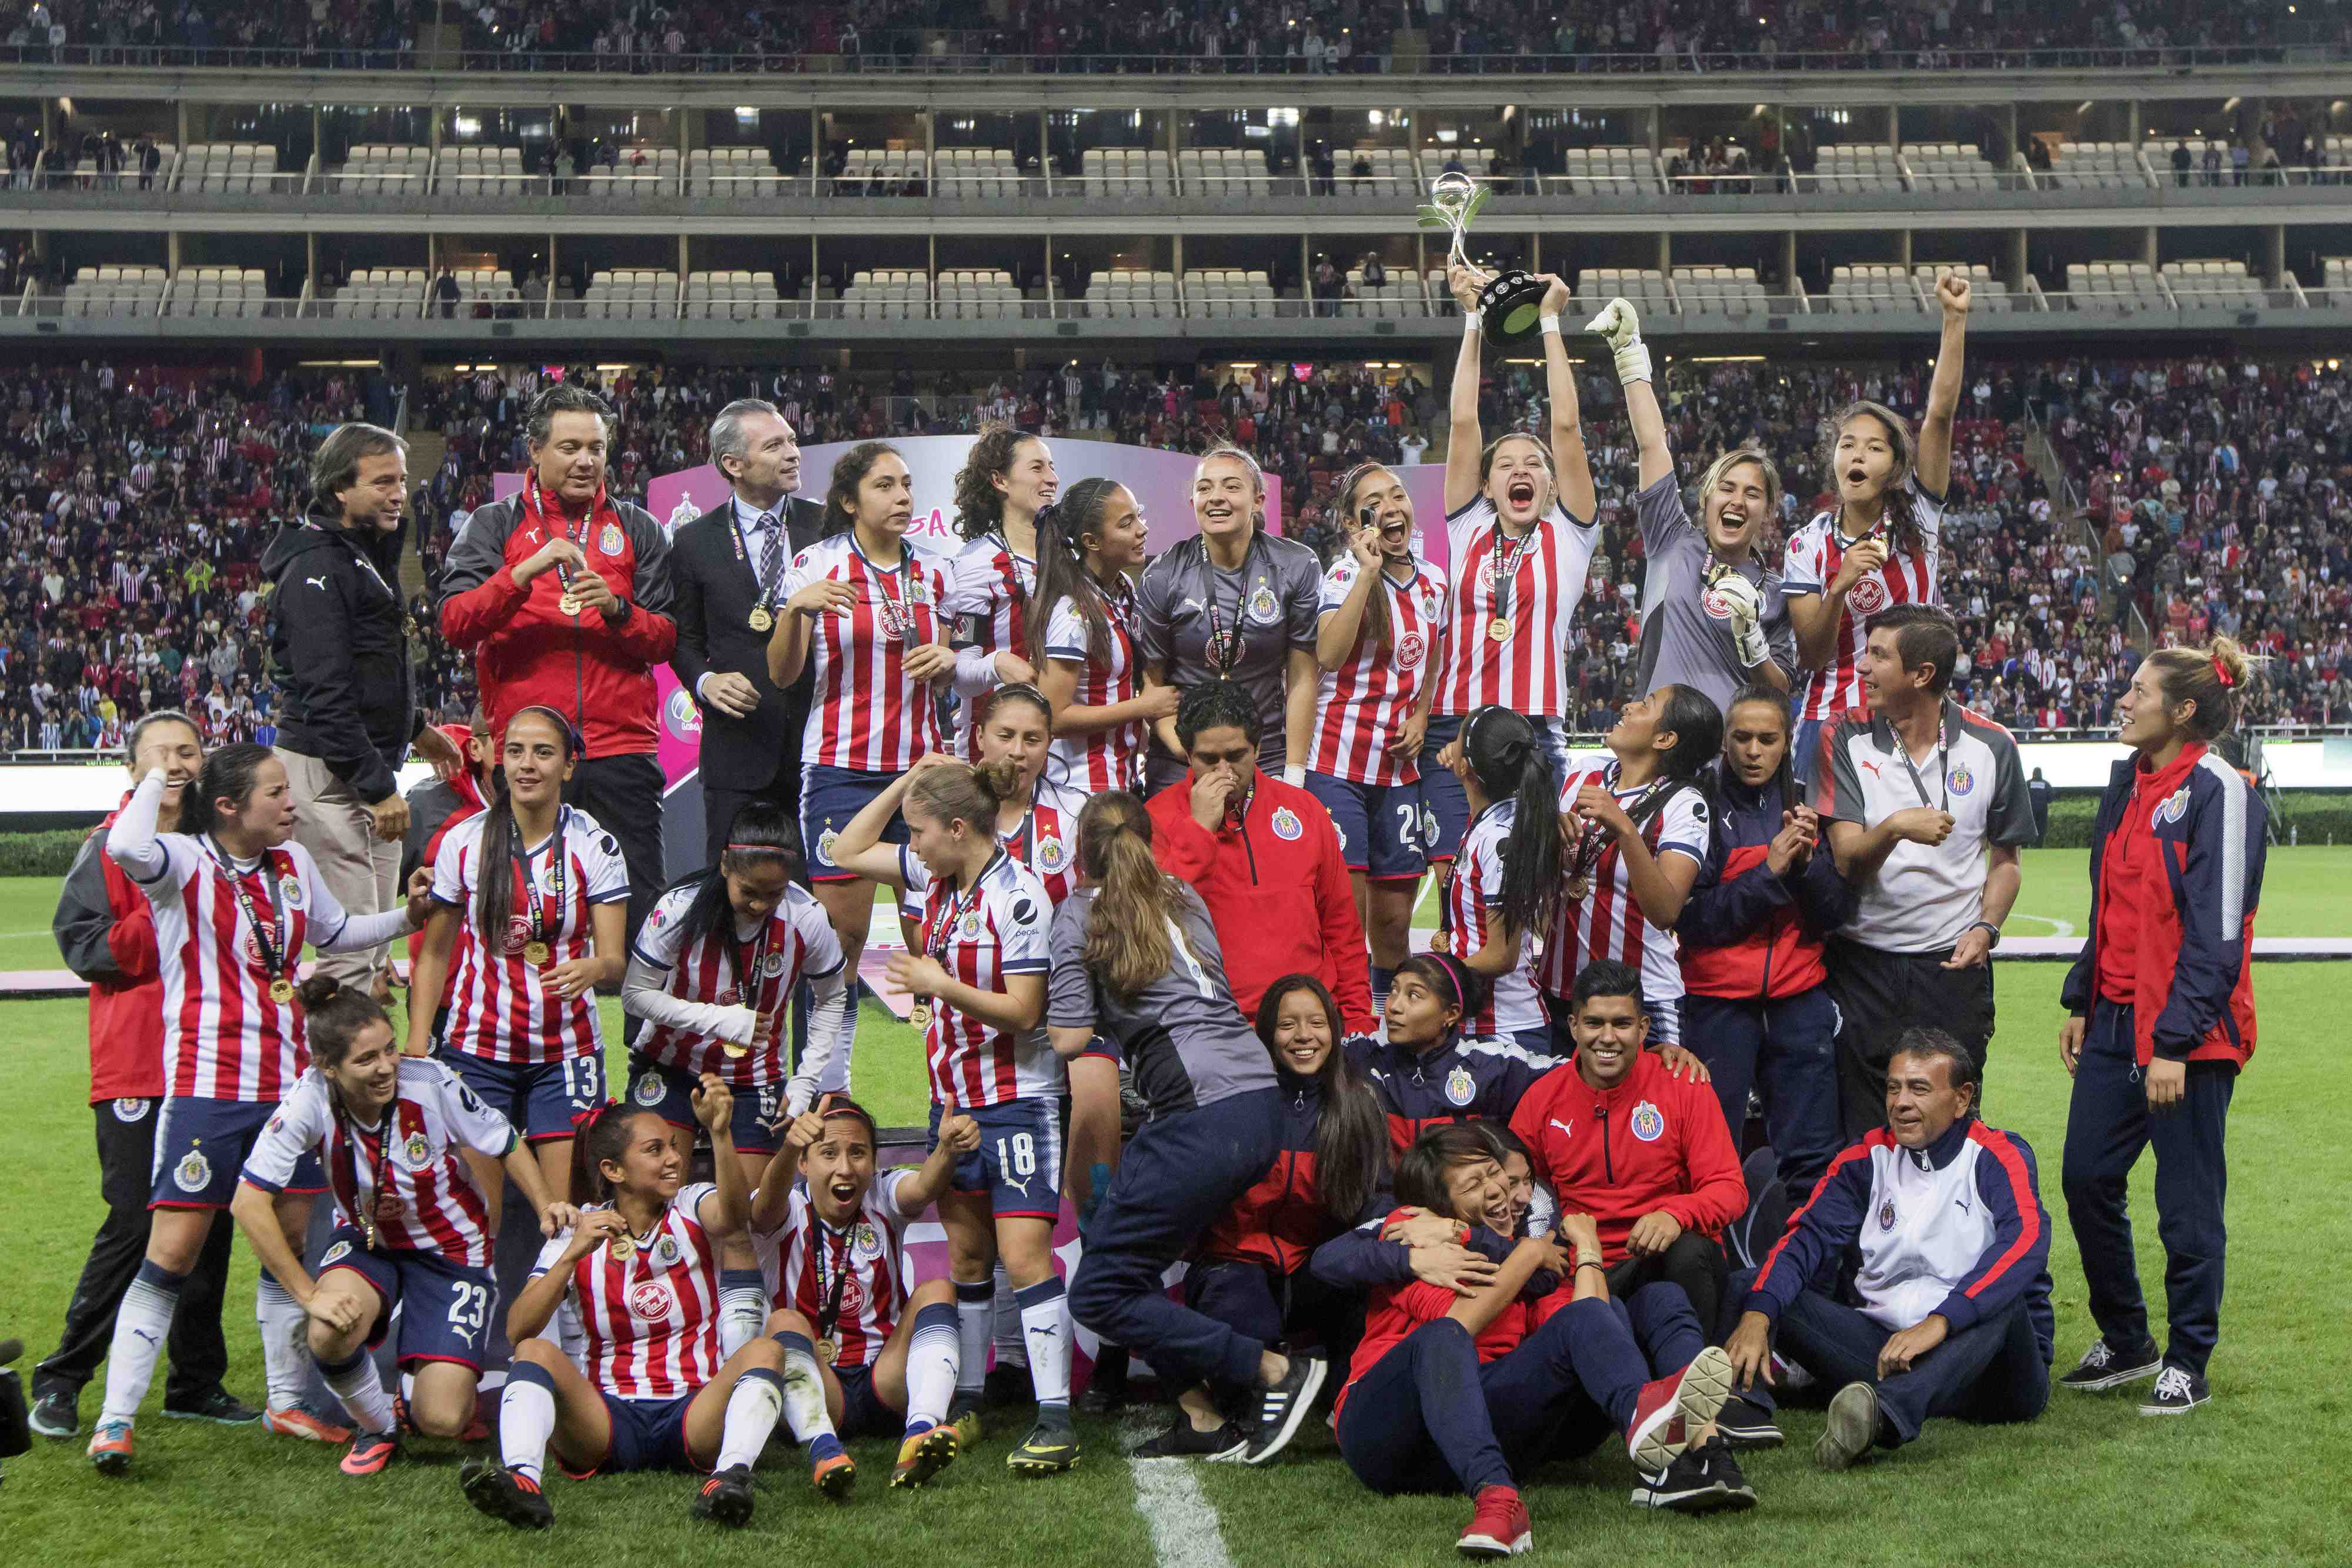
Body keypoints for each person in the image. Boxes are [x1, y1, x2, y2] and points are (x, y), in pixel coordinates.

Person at [88, 744, 430, 1474]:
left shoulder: (294, 865)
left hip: (293, 1089)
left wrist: (412, 915)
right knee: (172, 1252)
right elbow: (122, 842)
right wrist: (160, 774)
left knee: (290, 1237)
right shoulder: (180, 862)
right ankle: (115, 1422)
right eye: (276, 794)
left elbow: (338, 935)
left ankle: (285, 1402)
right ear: (228, 808)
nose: (291, 804)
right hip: (208, 1089)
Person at [1050, 792, 1328, 1467]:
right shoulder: (1182, 894)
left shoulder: (1079, 913)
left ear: (1082, 853)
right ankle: (1201, 1418)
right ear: (1147, 842)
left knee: (1098, 1289)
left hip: (1199, 1113)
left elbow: (1068, 1037)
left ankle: (1272, 1372)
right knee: (1122, 1252)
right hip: (1259, 1100)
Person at [1317, 1124, 1753, 1552]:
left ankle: (1686, 1448)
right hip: (1386, 1432)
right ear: (1439, 1205)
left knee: (1647, 1302)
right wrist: (1525, 1252)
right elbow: (1458, 1322)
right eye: (1474, 1183)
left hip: (1475, 1424)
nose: (1497, 1190)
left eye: (1494, 1173)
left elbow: (1596, 1320)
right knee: (1444, 1337)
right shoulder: (1417, 1239)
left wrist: (1588, 1250)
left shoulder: (1521, 1251)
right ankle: (1497, 1498)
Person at [827, 756, 1076, 1473]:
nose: (914, 842)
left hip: (1017, 1102)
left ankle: (1055, 1417)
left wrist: (941, 983)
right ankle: (968, 1401)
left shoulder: (1019, 896)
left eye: (920, 830)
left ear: (958, 829)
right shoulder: (939, 880)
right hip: (954, 1103)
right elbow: (844, 851)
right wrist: (910, 783)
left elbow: (1026, 1011)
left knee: (1024, 1258)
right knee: (967, 1257)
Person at [229, 977, 577, 1475]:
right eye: (366, 1059)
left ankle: (417, 1397)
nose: (386, 1067)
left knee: (443, 1417)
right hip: (369, 1241)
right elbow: (248, 1202)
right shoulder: (308, 1100)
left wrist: (545, 1201)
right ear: (328, 1067)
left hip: (453, 1248)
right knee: (327, 1329)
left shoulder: (429, 1080)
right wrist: (309, 1295)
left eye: (389, 1050)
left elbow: (504, 1140)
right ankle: (378, 1426)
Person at [2056, 639, 2264, 1416]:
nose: (2124, 698)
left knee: (2186, 1204)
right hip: (2114, 1023)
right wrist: (2083, 998)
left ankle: (2187, 1359)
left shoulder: (2221, 788)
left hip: (2190, 1036)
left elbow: (2219, 934)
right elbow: (2109, 908)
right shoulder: (2127, 782)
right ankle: (2127, 1337)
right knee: (2086, 1178)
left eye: (2138, 689)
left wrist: (2174, 1042)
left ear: (2181, 710)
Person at [32, 713, 246, 1440]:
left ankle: (196, 1383)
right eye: (160, 753)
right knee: (131, 1222)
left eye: (188, 750)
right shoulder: (107, 847)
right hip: (136, 1062)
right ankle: (62, 1379)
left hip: (212, 1064)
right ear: (132, 771)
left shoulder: (222, 848)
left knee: (208, 1224)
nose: (177, 763)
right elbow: (84, 947)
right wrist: (167, 914)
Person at [458, 1092, 800, 1530]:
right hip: (607, 1417)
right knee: (533, 1353)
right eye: (655, 1150)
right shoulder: (576, 1228)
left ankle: (729, 1477)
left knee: (765, 1352)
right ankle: (523, 1482)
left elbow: (736, 1217)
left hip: (693, 1410)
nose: (673, 1158)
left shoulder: (692, 1205)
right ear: (613, 1170)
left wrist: (718, 1132)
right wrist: (570, 1255)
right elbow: (519, 1327)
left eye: (673, 1146)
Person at [1723, 1029, 2053, 1470]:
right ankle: (1745, 1407)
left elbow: (2026, 1240)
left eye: (1919, 1088)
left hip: (1994, 1373)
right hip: (1887, 1352)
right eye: (1894, 1087)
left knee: (2002, 1301)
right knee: (1752, 1286)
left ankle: (1884, 1416)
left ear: (1962, 1098)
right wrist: (1758, 1315)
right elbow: (1807, 1238)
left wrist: (1942, 1321)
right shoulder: (1867, 1157)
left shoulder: (1998, 1154)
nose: (1900, 1102)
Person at [438, 382, 676, 959]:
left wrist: (619, 612)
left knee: (642, 916)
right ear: (536, 452)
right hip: (529, 752)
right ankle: (513, 1037)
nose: (586, 461)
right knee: (519, 911)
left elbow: (666, 638)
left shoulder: (637, 527)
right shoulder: (494, 526)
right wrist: (521, 575)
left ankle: (646, 1046)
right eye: (570, 447)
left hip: (621, 751)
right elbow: (454, 622)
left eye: (596, 448)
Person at [624, 801, 848, 1358]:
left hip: (756, 1080)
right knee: (650, 1199)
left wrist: (803, 1083)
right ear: (726, 865)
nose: (759, 903)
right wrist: (722, 1019)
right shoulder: (678, 908)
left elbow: (833, 998)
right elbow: (635, 994)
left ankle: (738, 1349)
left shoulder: (806, 917)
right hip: (671, 1067)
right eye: (749, 889)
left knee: (743, 1215)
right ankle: (654, 1335)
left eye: (773, 894)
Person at [769, 440, 956, 1101]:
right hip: (841, 771)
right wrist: (798, 609)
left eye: (906, 484)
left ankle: (948, 1088)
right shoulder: (814, 564)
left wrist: (952, 658)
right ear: (850, 500)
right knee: (841, 942)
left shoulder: (938, 573)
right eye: (885, 486)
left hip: (927, 774)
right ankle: (827, 1090)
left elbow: (967, 661)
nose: (902, 496)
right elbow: (783, 674)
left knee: (934, 939)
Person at [1136, 974, 1389, 1457]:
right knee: (1239, 1352)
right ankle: (1252, 1385)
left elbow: (1376, 1199)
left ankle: (1338, 1386)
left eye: (1317, 1023)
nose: (1304, 1036)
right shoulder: (1237, 1100)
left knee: (1367, 1288)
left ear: (1335, 1031)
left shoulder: (1358, 1104)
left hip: (1317, 1269)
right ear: (1266, 1033)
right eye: (1288, 1024)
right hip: (1236, 1263)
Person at [1818, 605, 2034, 1136]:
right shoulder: (1844, 735)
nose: (1863, 669)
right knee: (1868, 1130)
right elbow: (1846, 856)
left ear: (1922, 675)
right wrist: (1893, 828)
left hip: (1950, 969)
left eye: (1878, 655)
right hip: (1863, 966)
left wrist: (1987, 928)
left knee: (1951, 1125)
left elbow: (2006, 861)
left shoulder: (1993, 746)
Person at [406, 707, 629, 1209]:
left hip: (566, 1053)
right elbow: (435, 953)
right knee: (476, 1220)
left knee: (567, 1214)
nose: (527, 764)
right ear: (499, 760)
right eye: (516, 751)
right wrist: (419, 1043)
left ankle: (566, 1291)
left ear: (569, 766)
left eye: (544, 752)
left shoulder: (596, 844)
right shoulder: (464, 841)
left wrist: (594, 967)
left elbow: (614, 960)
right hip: (477, 1049)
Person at [266, 423, 462, 994]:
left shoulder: (357, 556)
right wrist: (378, 787)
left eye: (401, 480)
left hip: (357, 767)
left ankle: (365, 1081)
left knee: (372, 961)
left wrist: (417, 728)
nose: (398, 492)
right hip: (330, 772)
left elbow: (368, 671)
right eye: (381, 482)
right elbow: (326, 695)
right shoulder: (316, 567)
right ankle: (326, 1083)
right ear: (339, 492)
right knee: (350, 960)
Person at [1423, 264, 1599, 872]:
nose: (1519, 470)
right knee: (1450, 880)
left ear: (1550, 485)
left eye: (1534, 463)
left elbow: (1567, 426)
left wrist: (1550, 319)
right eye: (1505, 464)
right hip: (1453, 725)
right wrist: (1471, 316)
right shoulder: (1466, 526)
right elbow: (1465, 421)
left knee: (1527, 881)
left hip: (1532, 730)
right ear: (1487, 483)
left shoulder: (1569, 534)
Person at [1783, 271, 1970, 787]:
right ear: (1835, 460)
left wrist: (1954, 320)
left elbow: (1939, 417)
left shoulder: (1919, 517)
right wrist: (1840, 584)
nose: (1858, 453)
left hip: (1912, 718)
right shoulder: (1807, 543)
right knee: (1820, 862)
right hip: (1830, 720)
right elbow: (1811, 655)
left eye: (1874, 446)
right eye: (1848, 444)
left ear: (1894, 466)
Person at [1508, 961, 1746, 1354]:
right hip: (1583, 1267)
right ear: (1572, 1027)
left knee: (1690, 1251)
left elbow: (1730, 1188)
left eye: (1621, 1024)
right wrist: (1543, 1242)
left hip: (1665, 1261)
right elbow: (1516, 1188)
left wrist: (1676, 1214)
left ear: (1644, 1028)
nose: (1607, 1037)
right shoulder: (1542, 1099)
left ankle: (1700, 1372)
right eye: (1594, 1023)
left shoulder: (1683, 1085)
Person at [746, 1095, 978, 1490]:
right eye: (828, 1153)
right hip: (819, 1388)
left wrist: (947, 1150)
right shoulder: (786, 1207)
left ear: (874, 1161)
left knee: (938, 1288)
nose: (845, 1167)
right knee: (782, 1321)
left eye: (858, 1153)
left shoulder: (882, 1194)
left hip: (883, 1380)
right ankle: (823, 1450)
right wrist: (787, 1146)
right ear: (804, 1163)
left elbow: (922, 1187)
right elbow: (762, 1208)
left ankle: (919, 1432)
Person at [1678, 684, 1855, 1199]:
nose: (1754, 751)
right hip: (1717, 1005)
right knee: (1713, 1161)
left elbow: (1834, 914)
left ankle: (1809, 1280)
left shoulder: (1810, 803)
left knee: (1814, 1163)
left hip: (1799, 1002)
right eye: (1743, 738)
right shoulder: (1698, 806)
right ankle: (1719, 1279)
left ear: (1785, 741)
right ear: (1725, 742)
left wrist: (1807, 868)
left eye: (1767, 739)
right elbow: (1692, 920)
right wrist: (1770, 872)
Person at [1586, 297, 1795, 711]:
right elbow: (1651, 444)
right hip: (1659, 746)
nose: (1737, 500)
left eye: (1752, 494)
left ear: (1768, 513)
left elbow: (1781, 690)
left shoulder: (1776, 593)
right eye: (1727, 488)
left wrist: (1753, 642)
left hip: (1729, 755)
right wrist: (1629, 355)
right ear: (1706, 497)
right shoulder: (1672, 540)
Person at [1145, 678, 1374, 1035]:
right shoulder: (1156, 820)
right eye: (1209, 760)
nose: (1225, 772)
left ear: (1258, 748)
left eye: (1237, 756)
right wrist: (1199, 831)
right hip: (1210, 1030)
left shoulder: (1305, 811)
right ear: (1187, 755)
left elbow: (1342, 927)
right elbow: (1157, 926)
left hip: (1306, 1029)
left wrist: (1358, 1020)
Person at [1308, 462, 1449, 1015]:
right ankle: (1343, 1024)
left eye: (1397, 495)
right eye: (1374, 502)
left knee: (1393, 922)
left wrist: (1420, 715)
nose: (1391, 507)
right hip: (1338, 763)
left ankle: (1387, 1024)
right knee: (1345, 914)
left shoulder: (1436, 581)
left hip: (1398, 772)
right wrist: (1367, 573)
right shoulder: (1344, 577)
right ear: (1352, 523)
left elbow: (1433, 662)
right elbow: (1328, 656)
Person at [669, 399, 830, 865]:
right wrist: (705, 681)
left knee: (816, 899)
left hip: (818, 744)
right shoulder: (694, 540)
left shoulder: (827, 528)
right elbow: (683, 638)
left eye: (793, 441)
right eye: (775, 445)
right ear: (733, 464)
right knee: (729, 891)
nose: (793, 453)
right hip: (735, 748)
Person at [1541, 685, 1724, 1049]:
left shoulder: (1685, 804)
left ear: (1665, 738)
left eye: (1646, 704)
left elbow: (1666, 910)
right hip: (1561, 994)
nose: (1628, 706)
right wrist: (1550, 836)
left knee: (1646, 1107)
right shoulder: (1584, 772)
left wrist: (1624, 826)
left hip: (1641, 1001)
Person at [1134, 444, 1324, 795]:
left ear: (1258, 501)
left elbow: (1302, 676)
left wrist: (1295, 772)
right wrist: (1194, 756)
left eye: (1232, 487)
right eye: (1205, 488)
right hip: (1182, 756)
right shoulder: (1162, 574)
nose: (1216, 497)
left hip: (1264, 755)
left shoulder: (1297, 565)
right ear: (1193, 504)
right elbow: (1153, 685)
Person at [1028, 477, 1170, 794]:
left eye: (1139, 515)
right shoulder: (1072, 612)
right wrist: (1144, 707)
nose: (1142, 529)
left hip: (1124, 775)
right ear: (1092, 542)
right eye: (1126, 523)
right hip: (1082, 786)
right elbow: (1054, 717)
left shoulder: (1123, 588)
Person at [1443, 706, 1565, 1053]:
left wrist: (1433, 974)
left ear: (1465, 767)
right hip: (1491, 1024)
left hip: (1504, 1029)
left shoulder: (1498, 838)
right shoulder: (1502, 823)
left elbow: (1502, 956)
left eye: (1458, 737)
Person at [1352, 951, 1560, 1155]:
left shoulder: (1488, 1065)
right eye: (1394, 991)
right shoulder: (1366, 1054)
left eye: (1413, 995)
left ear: (1451, 1014)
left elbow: (1572, 1073)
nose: (1394, 1007)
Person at [944, 424, 1053, 757]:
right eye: (1037, 467)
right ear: (1000, 480)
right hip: (993, 751)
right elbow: (959, 673)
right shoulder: (977, 564)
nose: (1052, 478)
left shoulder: (1069, 557)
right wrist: (999, 664)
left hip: (1061, 742)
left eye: (1052, 467)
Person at [2026, 764, 2053, 846]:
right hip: (2043, 811)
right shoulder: (2046, 784)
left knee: (2030, 828)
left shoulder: (2028, 784)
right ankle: (2038, 845)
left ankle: (2029, 844)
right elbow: (2050, 798)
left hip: (2030, 811)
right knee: (2041, 829)